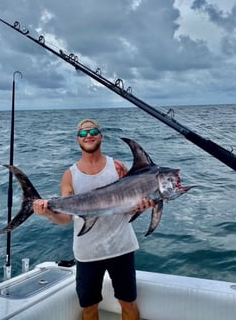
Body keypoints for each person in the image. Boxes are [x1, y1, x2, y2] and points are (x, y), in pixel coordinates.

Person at [33, 119, 154, 320]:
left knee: (128, 303)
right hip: (87, 253)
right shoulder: (69, 175)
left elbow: (126, 210)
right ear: (77, 140)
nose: (88, 135)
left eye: (93, 131)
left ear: (101, 136)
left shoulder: (117, 167)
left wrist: (140, 208)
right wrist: (46, 212)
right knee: (89, 308)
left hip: (121, 247)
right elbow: (65, 219)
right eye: (82, 133)